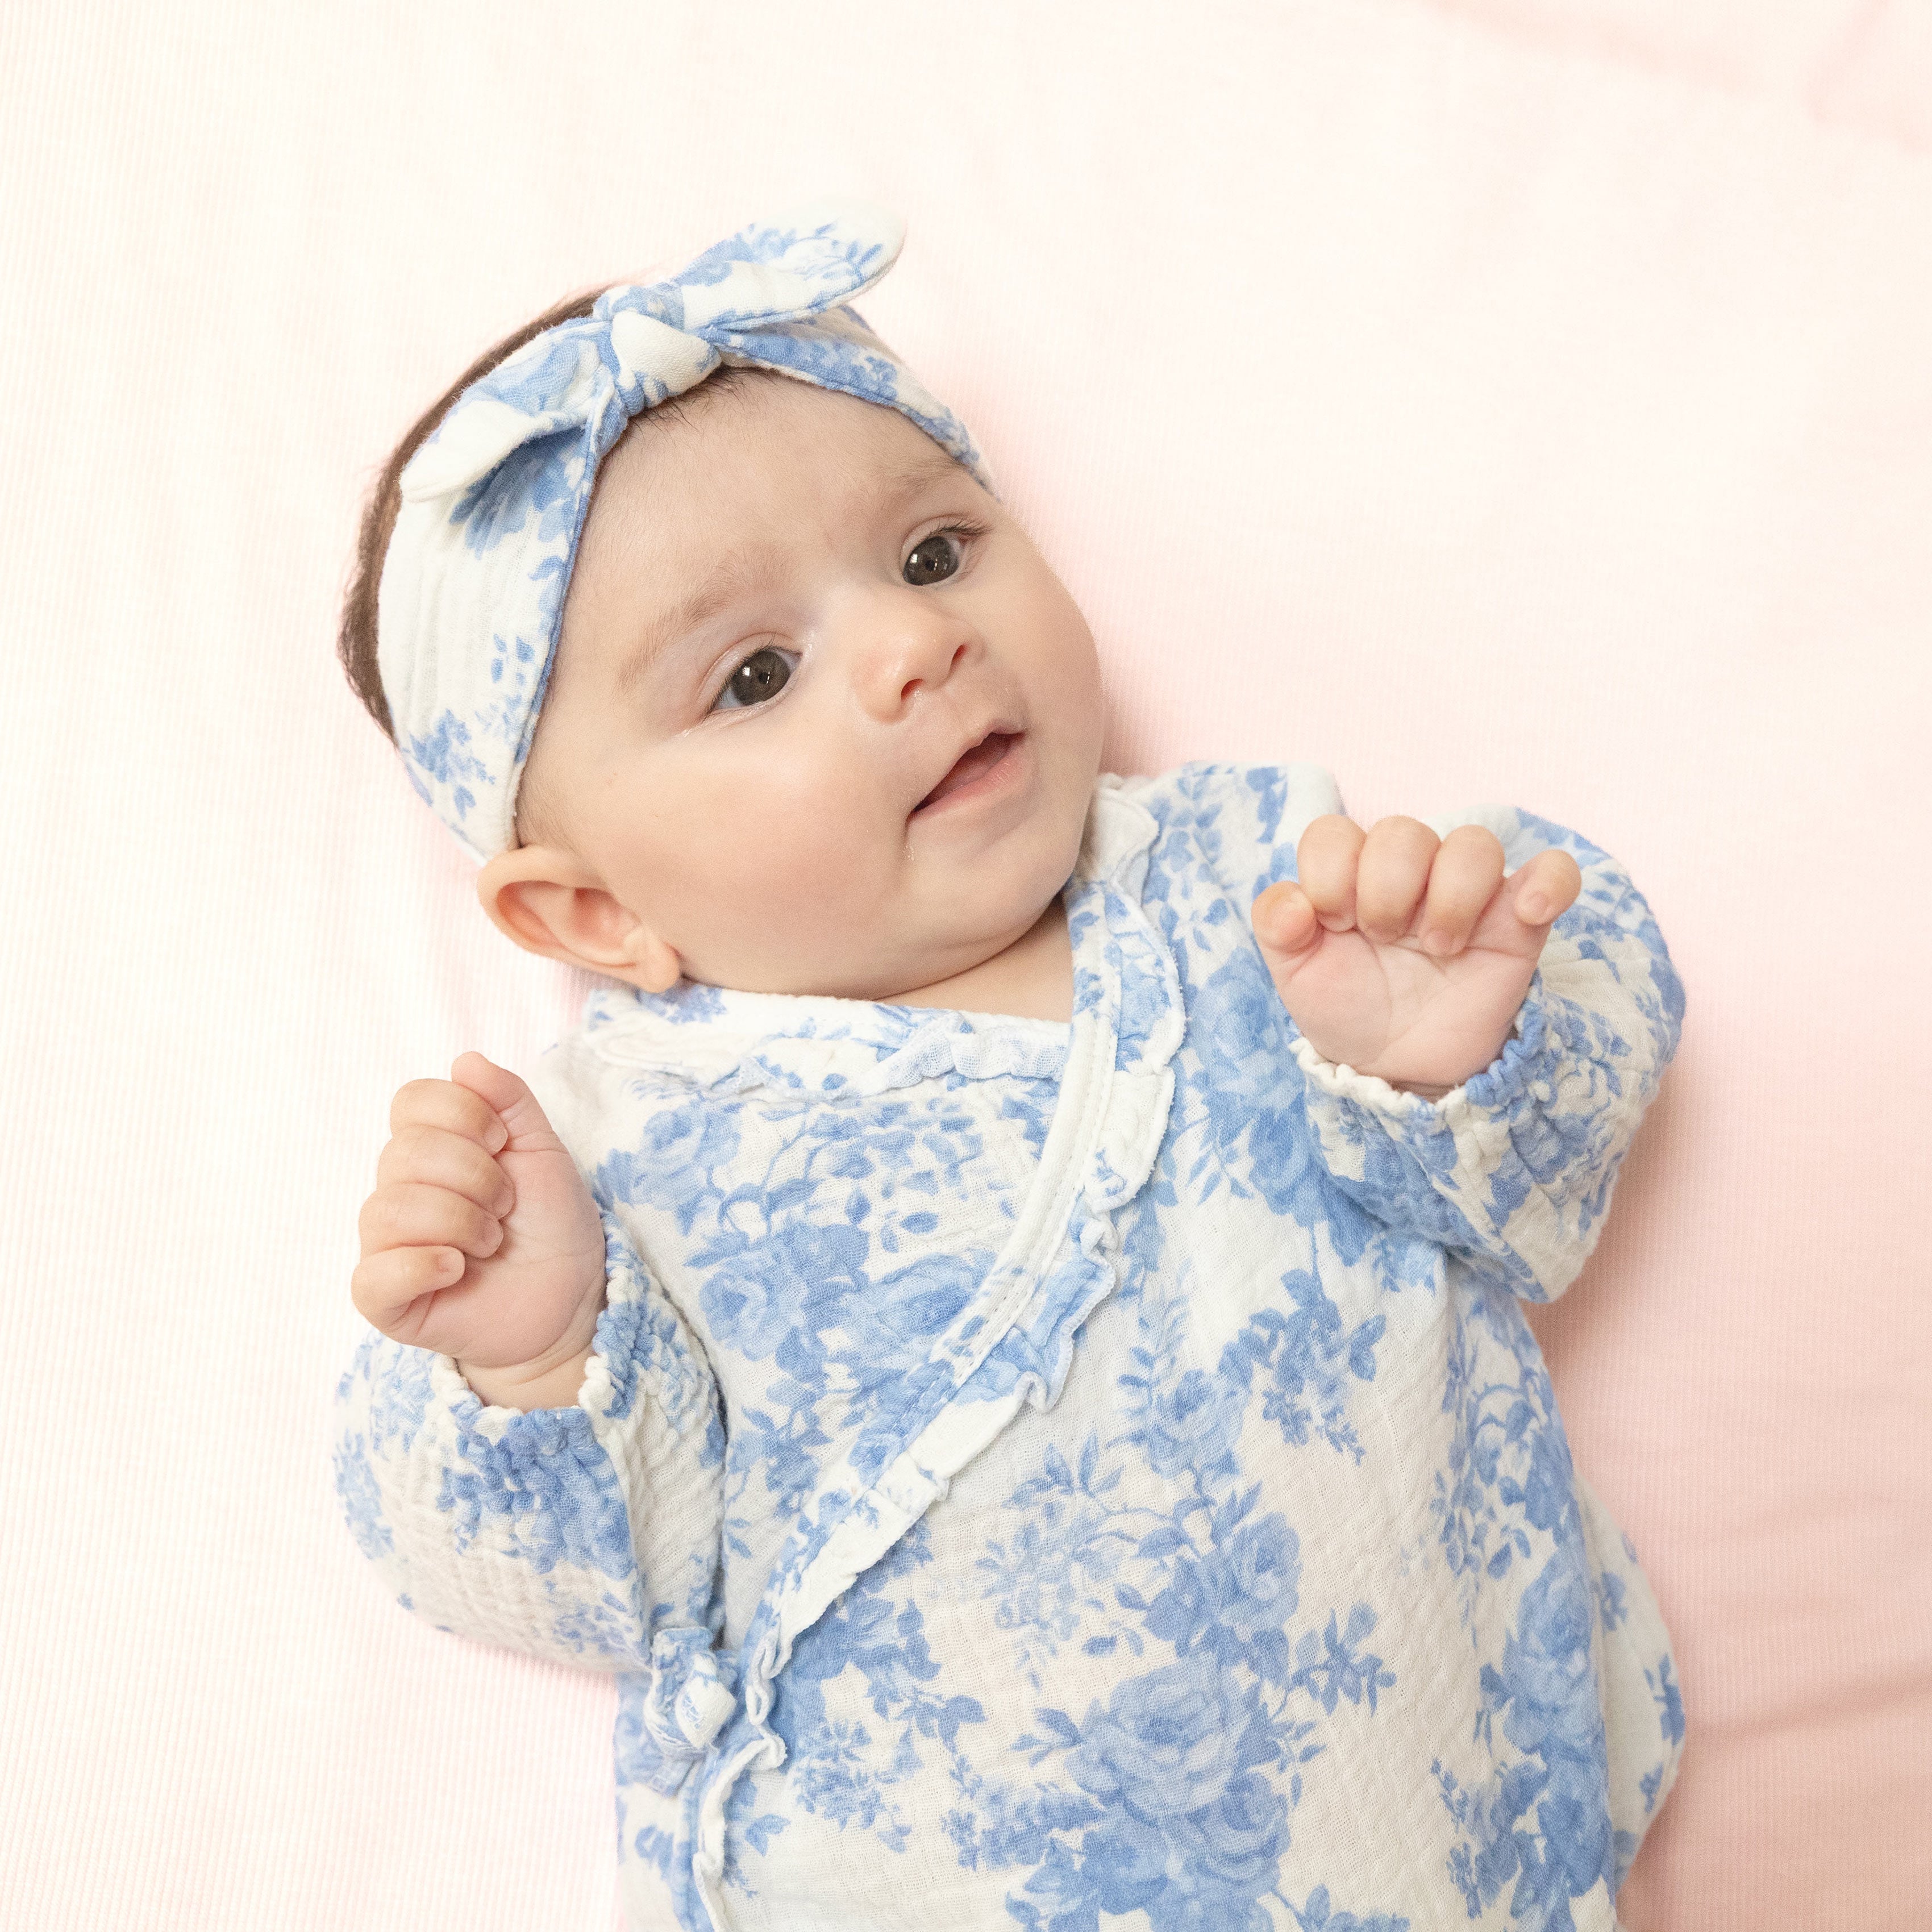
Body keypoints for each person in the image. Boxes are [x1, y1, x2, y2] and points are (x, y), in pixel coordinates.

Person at [333, 202, 1686, 1932]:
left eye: (934, 553)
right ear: (597, 912)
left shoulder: (1267, 889)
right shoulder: (609, 1166)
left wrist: (1449, 1052)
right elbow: (557, 1577)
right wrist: (531, 1359)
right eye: (757, 675)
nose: (918, 645)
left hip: (1437, 1827)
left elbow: (1585, 1023)